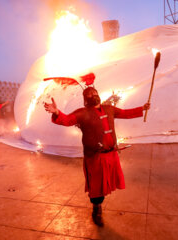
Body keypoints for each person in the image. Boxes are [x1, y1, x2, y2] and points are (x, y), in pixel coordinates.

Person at [44, 86, 150, 226]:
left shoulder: (109, 108)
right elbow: (67, 120)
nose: (92, 95)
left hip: (111, 154)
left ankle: (99, 204)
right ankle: (96, 209)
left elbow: (124, 113)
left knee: (107, 183)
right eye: (88, 94)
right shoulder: (82, 113)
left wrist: (142, 108)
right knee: (96, 187)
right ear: (85, 99)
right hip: (95, 157)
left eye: (94, 92)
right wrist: (57, 111)